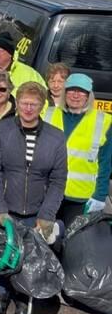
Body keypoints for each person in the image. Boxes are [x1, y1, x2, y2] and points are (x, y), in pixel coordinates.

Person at [0, 81, 67, 314]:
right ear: (17, 103)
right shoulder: (2, 130)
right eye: (24, 102)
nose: (28, 108)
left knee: (27, 261)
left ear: (42, 106)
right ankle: (1, 299)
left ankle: (22, 304)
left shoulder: (55, 137)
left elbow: (58, 180)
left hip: (36, 211)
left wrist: (46, 215)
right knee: (3, 257)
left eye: (34, 103)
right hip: (5, 207)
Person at [41, 74, 112, 225]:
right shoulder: (48, 114)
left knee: (73, 244)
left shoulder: (104, 121)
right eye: (71, 90)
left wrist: (100, 195)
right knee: (44, 241)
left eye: (81, 91)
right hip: (47, 193)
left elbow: (105, 163)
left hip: (81, 198)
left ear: (88, 96)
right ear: (65, 92)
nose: (75, 95)